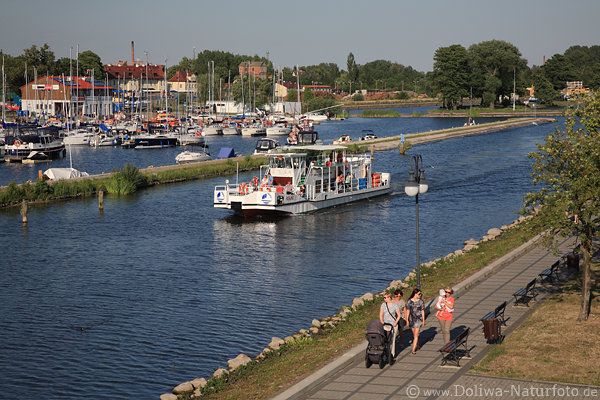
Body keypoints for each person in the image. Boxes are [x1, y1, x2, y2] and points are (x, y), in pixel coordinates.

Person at [379, 293, 401, 360]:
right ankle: (385, 353)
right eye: (384, 297)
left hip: (393, 325)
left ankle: (392, 354)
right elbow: (381, 314)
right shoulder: (383, 305)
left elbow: (399, 315)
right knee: (385, 339)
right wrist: (382, 321)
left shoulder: (394, 305)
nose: (384, 299)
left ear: (389, 298)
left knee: (392, 339)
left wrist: (395, 322)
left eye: (385, 297)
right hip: (385, 325)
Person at [405, 288, 425, 354]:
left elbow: (422, 311)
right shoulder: (409, 301)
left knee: (416, 335)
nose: (420, 295)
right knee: (414, 335)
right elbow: (407, 311)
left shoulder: (421, 302)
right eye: (419, 294)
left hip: (418, 319)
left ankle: (413, 349)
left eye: (420, 294)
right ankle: (417, 344)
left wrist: (423, 320)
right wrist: (407, 319)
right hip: (411, 319)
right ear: (415, 294)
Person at [392, 289, 406, 355]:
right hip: (393, 318)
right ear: (395, 295)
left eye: (400, 296)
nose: (398, 297)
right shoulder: (392, 301)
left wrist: (405, 317)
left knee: (400, 330)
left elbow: (404, 309)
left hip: (400, 317)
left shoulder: (402, 302)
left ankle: (401, 341)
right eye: (397, 296)